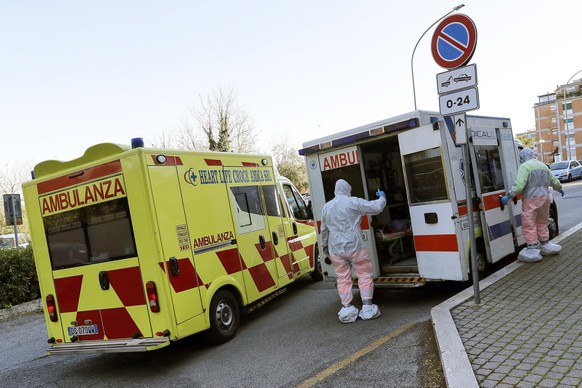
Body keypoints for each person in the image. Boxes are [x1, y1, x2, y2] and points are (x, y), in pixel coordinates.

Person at [320, 179, 387, 323]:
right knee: (364, 274)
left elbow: (324, 231)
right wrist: (382, 197)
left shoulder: (327, 207)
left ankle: (347, 309)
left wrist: (325, 248)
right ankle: (367, 307)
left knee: (342, 278)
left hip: (336, 248)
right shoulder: (353, 202)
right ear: (347, 189)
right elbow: (375, 208)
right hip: (355, 245)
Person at [501, 147, 564, 262]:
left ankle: (532, 247)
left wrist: (508, 196)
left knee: (529, 222)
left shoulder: (525, 167)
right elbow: (554, 181)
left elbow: (519, 186)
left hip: (531, 199)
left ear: (524, 156)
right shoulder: (543, 166)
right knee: (542, 221)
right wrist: (559, 189)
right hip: (545, 198)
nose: (520, 160)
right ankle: (545, 243)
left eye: (520, 157)